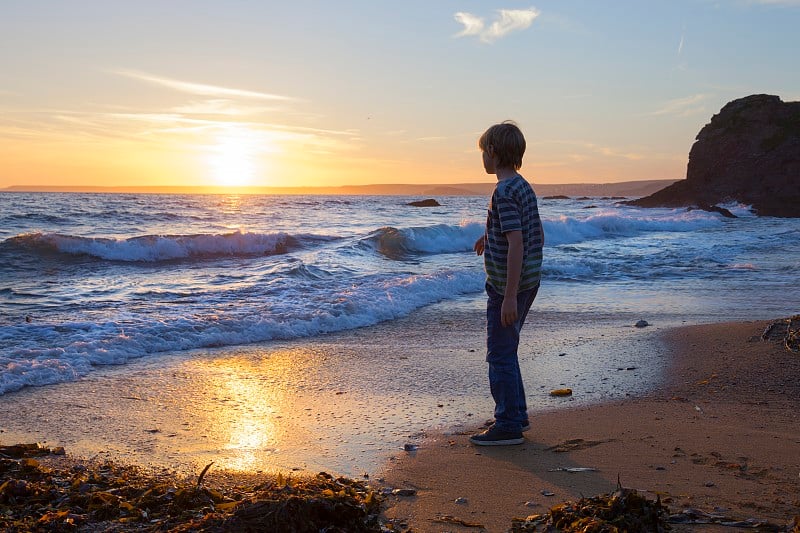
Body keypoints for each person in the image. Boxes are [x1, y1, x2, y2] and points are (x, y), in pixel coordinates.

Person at [471, 121, 544, 446]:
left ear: (493, 152)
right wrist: (489, 235)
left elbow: (516, 242)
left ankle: (508, 424)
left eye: (482, 152)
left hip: (507, 287)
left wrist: (510, 297)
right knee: (508, 349)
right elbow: (531, 231)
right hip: (529, 280)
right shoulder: (522, 186)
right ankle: (516, 414)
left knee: (499, 354)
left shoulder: (503, 192)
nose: (481, 159)